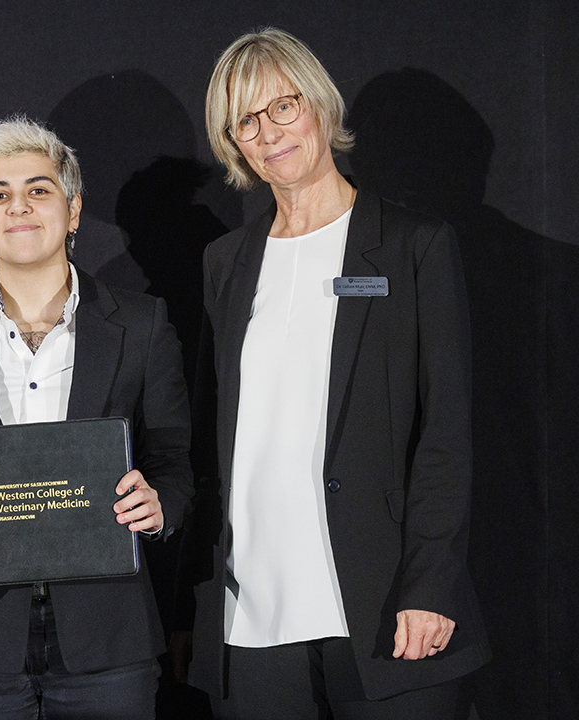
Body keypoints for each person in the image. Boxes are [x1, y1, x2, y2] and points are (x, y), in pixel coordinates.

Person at [171, 28, 491, 719]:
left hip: (385, 610)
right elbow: (212, 439)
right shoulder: (226, 262)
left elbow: (445, 432)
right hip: (254, 616)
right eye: (245, 121)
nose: (269, 132)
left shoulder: (412, 246)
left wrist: (429, 584)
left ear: (317, 104)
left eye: (282, 107)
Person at [0, 116, 193, 720]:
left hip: (109, 637)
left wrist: (161, 506)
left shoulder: (143, 323)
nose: (19, 207)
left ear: (73, 210)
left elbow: (176, 464)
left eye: (39, 189)